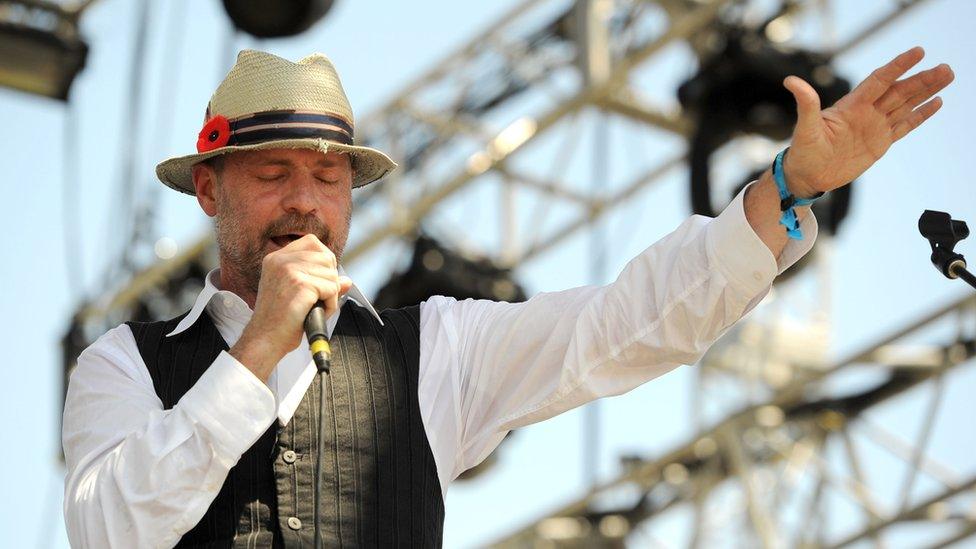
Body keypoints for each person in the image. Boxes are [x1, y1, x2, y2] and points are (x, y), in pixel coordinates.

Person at [62, 47, 953, 547]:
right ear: (211, 192)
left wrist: (783, 190)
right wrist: (256, 351)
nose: (305, 200)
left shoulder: (435, 349)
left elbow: (627, 323)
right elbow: (109, 531)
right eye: (274, 173)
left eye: (328, 178)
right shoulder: (124, 366)